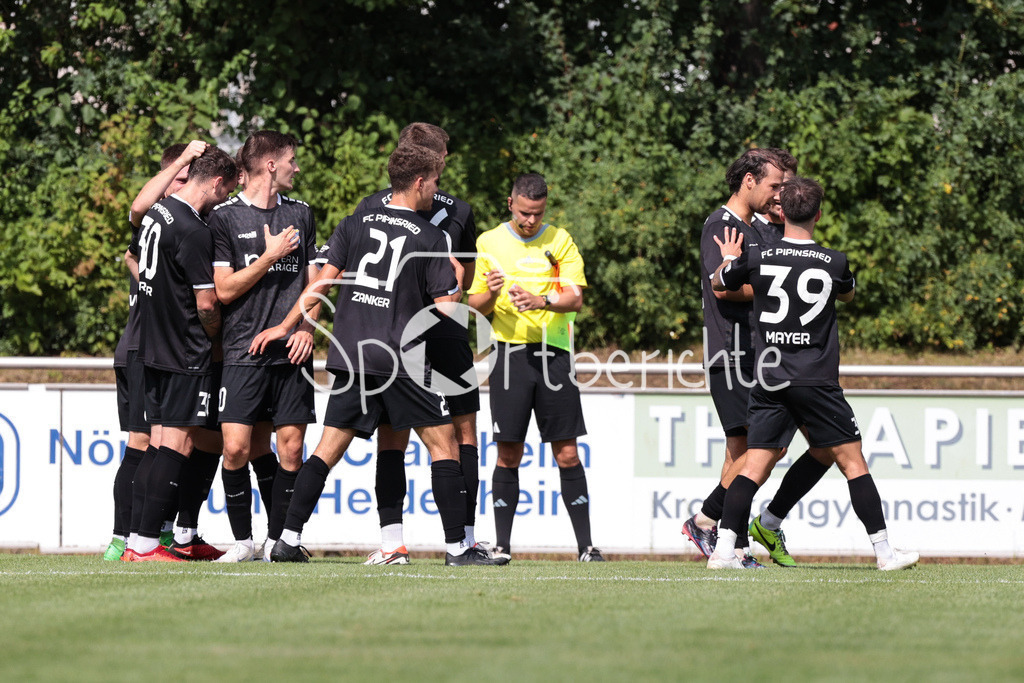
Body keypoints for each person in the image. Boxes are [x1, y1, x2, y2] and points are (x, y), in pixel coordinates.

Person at [252, 144, 502, 566]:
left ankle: (287, 540)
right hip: (400, 360)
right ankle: (459, 548)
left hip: (352, 355)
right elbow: (445, 309)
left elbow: (320, 283)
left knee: (325, 451)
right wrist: (461, 285)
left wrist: (285, 325)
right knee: (444, 447)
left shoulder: (356, 222)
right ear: (419, 183)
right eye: (434, 182)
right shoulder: (430, 237)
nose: (436, 189)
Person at [706, 176, 918, 571]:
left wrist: (729, 258)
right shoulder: (834, 261)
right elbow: (848, 293)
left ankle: (723, 552)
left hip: (769, 377)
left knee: (752, 466)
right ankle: (885, 554)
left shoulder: (757, 256)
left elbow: (719, 281)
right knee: (853, 463)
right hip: (815, 378)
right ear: (818, 215)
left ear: (782, 212)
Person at [684, 148, 832, 568]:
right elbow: (724, 288)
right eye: (774, 185)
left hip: (761, 355)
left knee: (756, 450)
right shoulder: (722, 224)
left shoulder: (757, 229)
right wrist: (781, 287)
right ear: (749, 181)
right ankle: (725, 534)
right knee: (755, 450)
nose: (779, 194)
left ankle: (715, 526)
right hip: (732, 354)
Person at [352, 123, 482, 565]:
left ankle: (430, 540)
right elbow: (462, 280)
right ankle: (439, 542)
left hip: (418, 333)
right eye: (443, 154)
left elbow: (463, 282)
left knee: (414, 436)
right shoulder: (389, 206)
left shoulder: (379, 206)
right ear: (430, 158)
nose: (446, 160)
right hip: (420, 334)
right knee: (430, 435)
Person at [467, 173, 604, 563]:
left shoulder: (559, 240)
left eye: (538, 214)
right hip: (508, 356)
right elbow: (473, 306)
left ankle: (586, 547)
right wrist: (491, 293)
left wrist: (541, 300)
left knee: (567, 453)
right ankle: (502, 546)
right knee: (508, 453)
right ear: (510, 203)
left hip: (554, 355)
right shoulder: (488, 242)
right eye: (525, 212)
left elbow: (575, 298)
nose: (530, 220)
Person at [122, 146, 238, 562]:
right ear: (217, 183)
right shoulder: (194, 230)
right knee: (178, 444)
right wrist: (216, 335)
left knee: (157, 444)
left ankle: (136, 541)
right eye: (228, 190)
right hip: (184, 348)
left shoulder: (160, 211)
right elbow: (206, 303)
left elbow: (137, 208)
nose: (227, 199)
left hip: (153, 344)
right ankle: (145, 545)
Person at [208, 130, 319, 562]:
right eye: (291, 160)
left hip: (292, 352)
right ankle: (243, 541)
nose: (296, 167)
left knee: (291, 448)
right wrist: (270, 256)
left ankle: (278, 541)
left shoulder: (301, 214)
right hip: (242, 350)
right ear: (271, 165)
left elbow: (315, 284)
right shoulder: (224, 217)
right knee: (236, 448)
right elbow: (223, 290)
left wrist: (306, 327)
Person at [105, 141, 206, 560]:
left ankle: (151, 536)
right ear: (165, 181)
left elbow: (131, 259)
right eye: (178, 179)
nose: (183, 186)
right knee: (147, 441)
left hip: (153, 345)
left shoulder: (173, 225)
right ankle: (129, 539)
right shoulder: (161, 218)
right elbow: (135, 217)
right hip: (144, 348)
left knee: (163, 441)